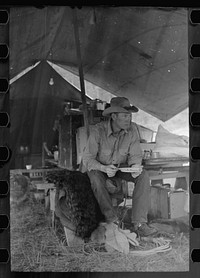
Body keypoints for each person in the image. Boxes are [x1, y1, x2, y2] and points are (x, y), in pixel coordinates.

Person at [82, 97, 157, 237]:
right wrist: (104, 168)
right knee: (96, 179)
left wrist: (135, 166)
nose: (128, 119)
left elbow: (135, 154)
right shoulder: (98, 131)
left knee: (143, 176)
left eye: (129, 116)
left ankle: (139, 223)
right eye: (125, 116)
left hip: (121, 167)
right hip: (101, 168)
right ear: (114, 116)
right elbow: (87, 159)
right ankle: (112, 221)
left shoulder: (133, 129)